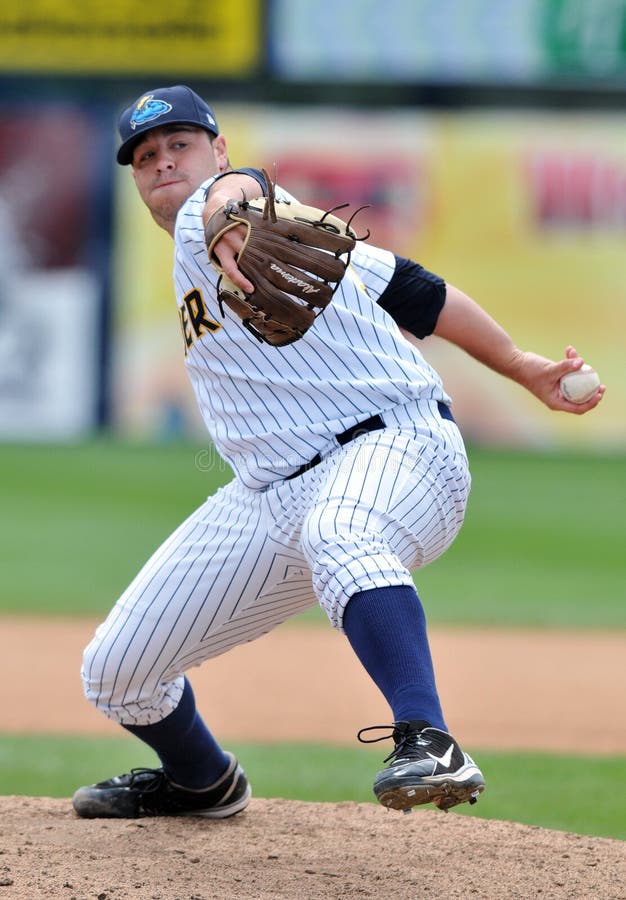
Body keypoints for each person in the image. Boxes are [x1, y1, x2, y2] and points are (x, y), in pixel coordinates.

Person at [72, 85, 604, 820]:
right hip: (271, 494)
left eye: (181, 145)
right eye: (146, 157)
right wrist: (521, 366)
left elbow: (237, 191)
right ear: (135, 179)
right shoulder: (278, 231)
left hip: (398, 445)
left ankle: (430, 739)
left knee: (343, 531)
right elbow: (414, 289)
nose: (164, 164)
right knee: (117, 670)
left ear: (218, 149)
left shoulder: (223, 210)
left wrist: (231, 207)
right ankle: (202, 779)